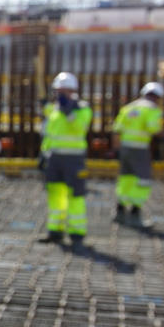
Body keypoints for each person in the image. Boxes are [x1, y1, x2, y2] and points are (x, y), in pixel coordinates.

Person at [39, 71, 92, 248]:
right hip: (55, 159)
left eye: (63, 91)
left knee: (76, 195)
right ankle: (55, 230)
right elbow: (49, 134)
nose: (59, 94)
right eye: (58, 91)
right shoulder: (54, 109)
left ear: (72, 91)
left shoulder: (82, 108)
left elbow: (79, 128)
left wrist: (69, 110)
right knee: (55, 194)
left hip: (74, 159)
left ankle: (77, 233)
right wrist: (44, 155)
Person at [112, 81, 164, 229]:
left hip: (125, 148)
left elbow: (117, 129)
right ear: (157, 97)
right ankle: (135, 214)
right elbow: (153, 128)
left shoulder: (129, 107)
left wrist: (117, 149)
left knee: (126, 178)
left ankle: (120, 211)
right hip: (140, 149)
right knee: (143, 180)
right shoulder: (152, 109)